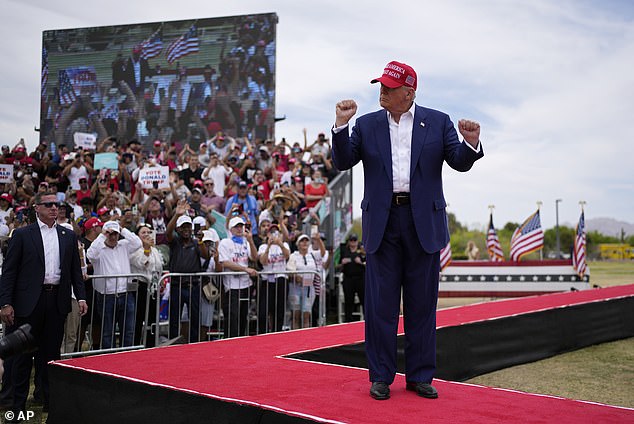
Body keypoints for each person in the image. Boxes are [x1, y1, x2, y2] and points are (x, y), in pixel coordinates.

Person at [332, 61, 484, 400]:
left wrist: (470, 143)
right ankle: (381, 376)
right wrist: (341, 127)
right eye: (381, 85)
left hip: (423, 224)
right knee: (380, 307)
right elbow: (343, 161)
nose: (382, 91)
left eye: (389, 86)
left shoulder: (439, 121)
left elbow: (458, 160)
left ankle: (419, 376)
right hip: (382, 224)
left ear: (409, 92)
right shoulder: (366, 124)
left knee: (422, 305)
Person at [0, 191, 88, 414]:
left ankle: (51, 404)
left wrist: (81, 296)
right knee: (21, 358)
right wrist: (5, 303)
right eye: (48, 205)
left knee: (51, 357)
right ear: (36, 208)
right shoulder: (22, 235)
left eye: (56, 205)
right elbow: (9, 272)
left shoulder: (67, 236)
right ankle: (18, 407)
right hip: (27, 303)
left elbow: (74, 271)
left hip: (56, 301)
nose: (53, 208)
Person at [86, 220, 142, 349]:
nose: (112, 236)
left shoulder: (124, 245)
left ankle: (126, 356)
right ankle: (109, 357)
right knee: (107, 332)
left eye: (115, 234)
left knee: (128, 330)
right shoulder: (99, 248)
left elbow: (137, 243)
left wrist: (123, 230)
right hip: (106, 296)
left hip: (126, 293)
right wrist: (102, 235)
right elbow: (90, 255)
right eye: (110, 234)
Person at [166, 200, 210, 342]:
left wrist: (201, 241)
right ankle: (173, 342)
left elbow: (205, 255)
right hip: (176, 286)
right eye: (183, 227)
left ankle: (194, 343)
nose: (186, 230)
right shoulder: (175, 242)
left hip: (193, 286)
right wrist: (176, 215)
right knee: (174, 318)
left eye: (188, 227)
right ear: (178, 229)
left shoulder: (196, 242)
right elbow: (168, 233)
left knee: (195, 317)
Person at [218, 216, 257, 338]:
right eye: (237, 227)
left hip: (246, 285)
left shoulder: (246, 242)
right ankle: (230, 342)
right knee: (232, 317)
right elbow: (225, 262)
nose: (240, 229)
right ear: (231, 229)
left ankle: (241, 342)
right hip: (231, 286)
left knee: (243, 316)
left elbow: (254, 257)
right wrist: (245, 269)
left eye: (241, 226)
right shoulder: (225, 242)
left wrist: (250, 241)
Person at [129, 223, 164, 346]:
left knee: (152, 318)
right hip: (140, 287)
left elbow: (158, 266)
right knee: (138, 318)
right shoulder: (134, 251)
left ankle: (151, 345)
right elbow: (142, 263)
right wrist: (146, 249)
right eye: (143, 232)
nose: (147, 234)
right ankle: (135, 345)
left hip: (153, 287)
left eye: (149, 232)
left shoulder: (155, 250)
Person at [286, 233, 324, 329]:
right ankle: (295, 337)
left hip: (309, 288)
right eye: (302, 241)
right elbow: (290, 270)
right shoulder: (293, 256)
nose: (304, 243)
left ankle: (306, 338)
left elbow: (323, 253)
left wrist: (319, 240)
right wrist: (297, 277)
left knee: (307, 315)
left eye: (306, 240)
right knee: (296, 315)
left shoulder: (312, 255)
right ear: (298, 244)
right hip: (295, 287)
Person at [337, 233, 366, 322]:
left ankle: (367, 319)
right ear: (349, 242)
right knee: (349, 301)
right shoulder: (344, 251)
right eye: (351, 241)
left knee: (364, 300)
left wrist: (360, 262)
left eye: (355, 240)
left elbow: (369, 264)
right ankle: (348, 321)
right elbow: (337, 266)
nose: (353, 243)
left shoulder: (362, 251)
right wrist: (342, 263)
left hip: (360, 278)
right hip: (348, 278)